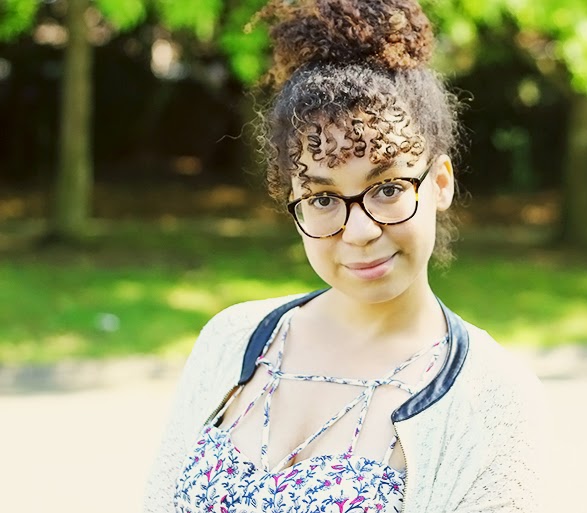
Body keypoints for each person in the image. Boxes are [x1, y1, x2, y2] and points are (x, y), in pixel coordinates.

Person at [144, 1, 545, 511]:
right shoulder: (230, 341)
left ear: (440, 183)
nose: (359, 232)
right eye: (323, 199)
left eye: (388, 189)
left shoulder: (492, 398)